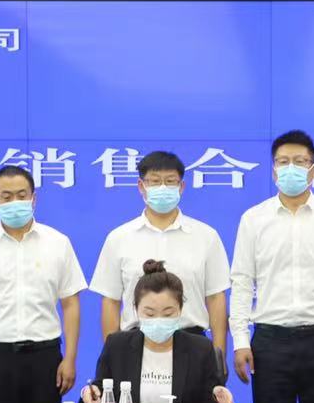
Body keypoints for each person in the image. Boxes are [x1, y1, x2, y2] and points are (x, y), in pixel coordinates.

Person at [229, 129, 314, 403]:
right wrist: (240, 342)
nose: (291, 168)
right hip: (270, 341)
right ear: (274, 171)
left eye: (300, 162)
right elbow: (241, 283)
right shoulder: (254, 219)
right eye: (283, 161)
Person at [0, 165, 86, 403]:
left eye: (22, 195)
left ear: (34, 199)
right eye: (7, 197)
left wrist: (70, 359)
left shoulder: (58, 243)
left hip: (45, 358)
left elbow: (71, 304)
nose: (15, 202)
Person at [91, 150, 231, 369]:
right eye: (155, 182)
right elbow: (110, 301)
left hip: (193, 345)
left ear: (181, 187)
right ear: (141, 186)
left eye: (170, 181)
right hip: (134, 345)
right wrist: (113, 356)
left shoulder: (206, 236)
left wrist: (218, 355)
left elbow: (215, 298)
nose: (163, 188)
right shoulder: (119, 238)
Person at [82, 260, 235, 403]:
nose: (158, 320)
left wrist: (218, 396)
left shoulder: (200, 349)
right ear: (136, 310)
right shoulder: (117, 346)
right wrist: (90, 393)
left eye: (168, 314)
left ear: (180, 310)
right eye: (149, 314)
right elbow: (100, 391)